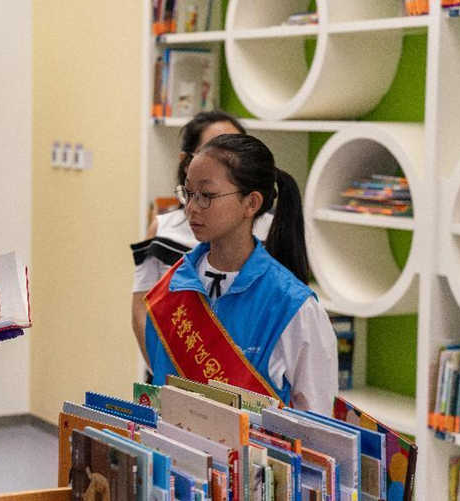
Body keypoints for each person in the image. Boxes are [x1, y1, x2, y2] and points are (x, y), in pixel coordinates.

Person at [144, 134, 338, 414]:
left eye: (207, 195)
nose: (192, 207)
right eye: (188, 193)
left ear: (251, 203)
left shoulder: (294, 307)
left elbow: (317, 421)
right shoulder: (170, 288)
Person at [130, 110, 271, 368]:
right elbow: (142, 307)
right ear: (187, 162)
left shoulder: (267, 234)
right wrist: (164, 368)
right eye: (213, 150)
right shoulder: (163, 229)